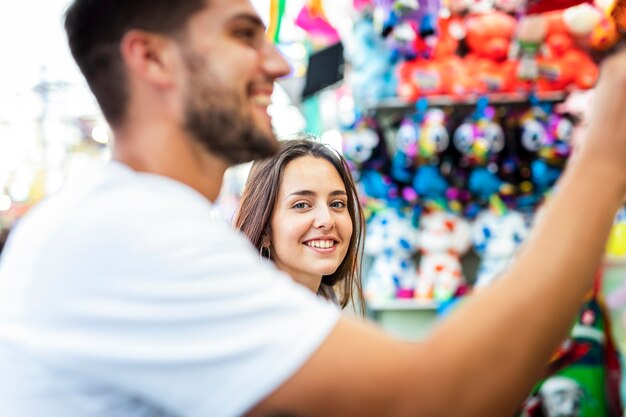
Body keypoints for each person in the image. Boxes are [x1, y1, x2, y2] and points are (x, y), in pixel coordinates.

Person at [0, 1, 625, 416]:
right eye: (244, 35)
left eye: (336, 203)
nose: (278, 62)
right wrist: (603, 159)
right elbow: (440, 399)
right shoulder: (130, 234)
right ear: (152, 58)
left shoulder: (149, 222)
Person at [233, 137, 365, 310]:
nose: (327, 220)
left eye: (337, 204)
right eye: (301, 205)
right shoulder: (253, 316)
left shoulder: (322, 306)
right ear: (265, 228)